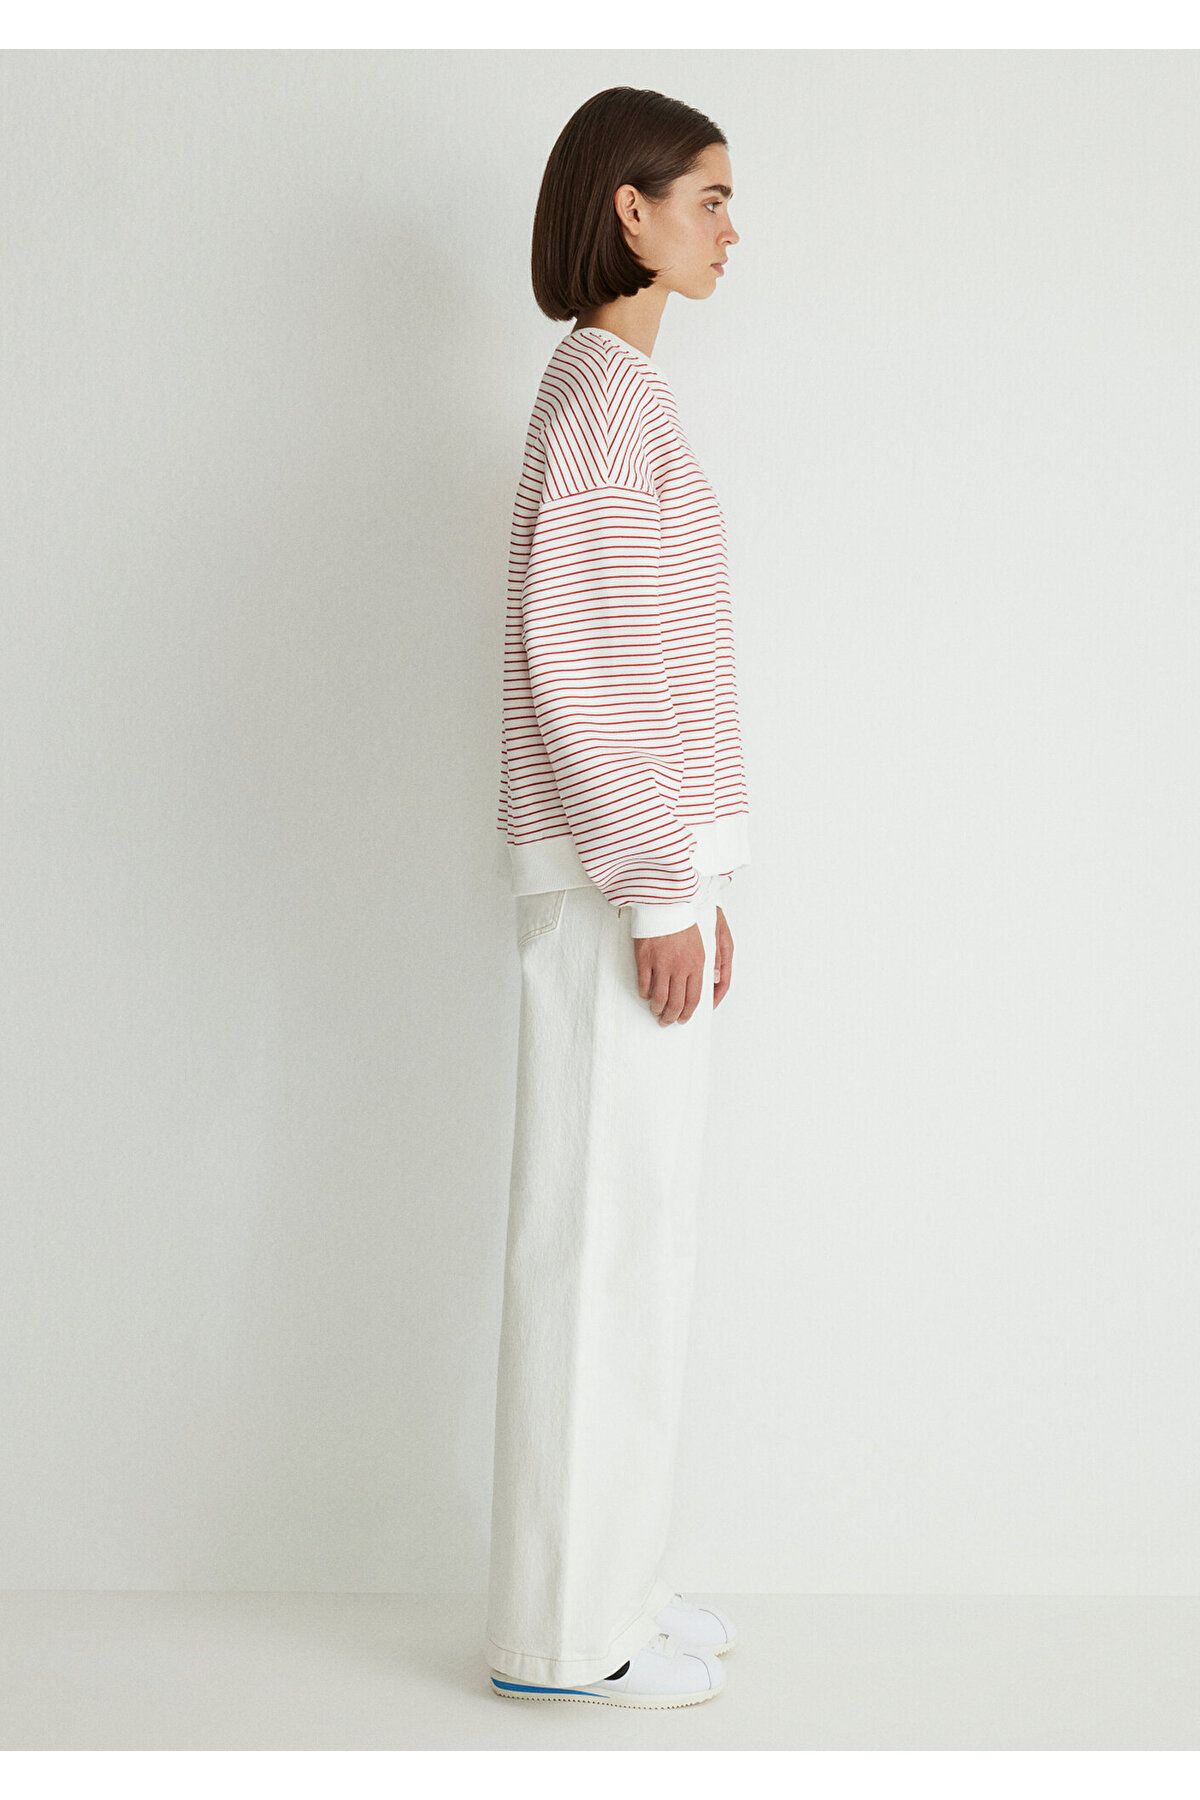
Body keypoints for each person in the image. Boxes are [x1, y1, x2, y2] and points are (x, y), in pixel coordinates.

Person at [485, 85, 750, 1710]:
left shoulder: (623, 397)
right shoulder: (599, 397)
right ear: (628, 211)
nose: (732, 229)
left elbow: (653, 670)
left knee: (639, 1240)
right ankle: (569, 1638)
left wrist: (697, 874)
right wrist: (659, 892)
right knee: (596, 1248)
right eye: (708, 197)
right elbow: (586, 672)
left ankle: (621, 1587)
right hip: (609, 888)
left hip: (639, 875)